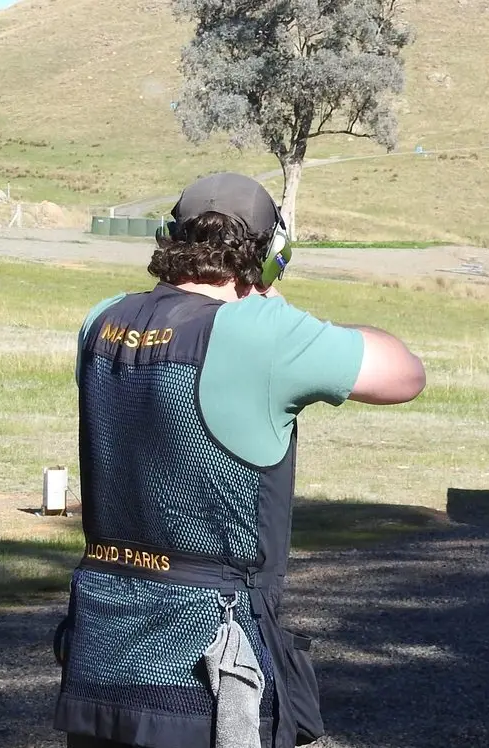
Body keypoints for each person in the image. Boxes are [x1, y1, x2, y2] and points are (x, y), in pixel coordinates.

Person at [51, 172, 426, 748]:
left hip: (100, 651)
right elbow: (404, 374)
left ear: (166, 238)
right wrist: (283, 312)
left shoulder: (101, 319)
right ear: (272, 256)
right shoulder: (261, 331)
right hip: (204, 664)